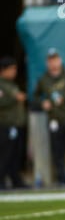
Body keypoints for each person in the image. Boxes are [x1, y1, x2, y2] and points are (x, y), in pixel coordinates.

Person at [33, 48, 65, 186]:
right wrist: (42, 102)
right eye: (50, 60)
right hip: (55, 119)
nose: (53, 63)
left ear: (60, 60)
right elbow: (35, 96)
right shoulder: (43, 79)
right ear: (47, 63)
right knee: (58, 151)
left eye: (55, 59)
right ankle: (62, 179)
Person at [0, 56, 28, 190]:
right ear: (3, 70)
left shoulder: (11, 84)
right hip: (5, 125)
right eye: (11, 69)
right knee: (5, 154)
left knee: (16, 154)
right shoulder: (1, 84)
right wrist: (15, 98)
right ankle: (1, 180)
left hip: (17, 125)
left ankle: (15, 179)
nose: (14, 71)